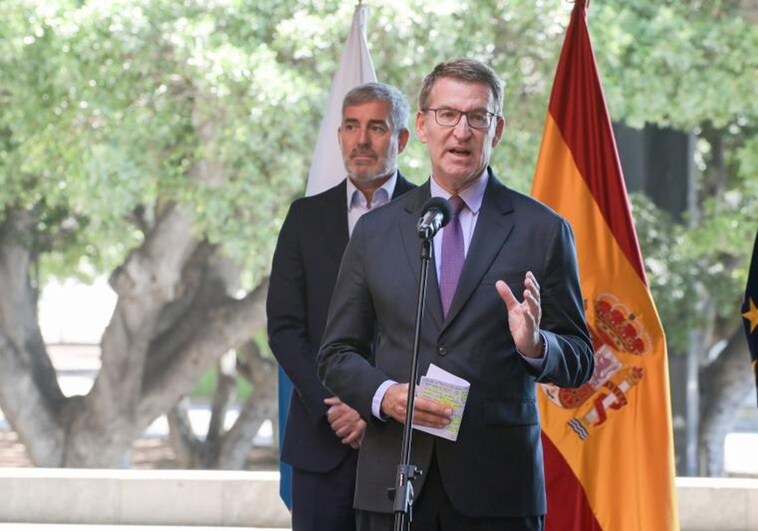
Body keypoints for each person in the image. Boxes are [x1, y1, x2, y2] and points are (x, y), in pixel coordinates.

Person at [318, 58, 595, 531]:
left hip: (498, 489)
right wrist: (385, 396)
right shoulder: (376, 231)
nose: (461, 132)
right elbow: (336, 354)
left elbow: (579, 359)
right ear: (422, 126)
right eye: (446, 115)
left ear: (497, 129)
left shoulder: (542, 230)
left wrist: (535, 346)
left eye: (477, 117)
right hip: (395, 484)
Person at [266, 82, 416, 531]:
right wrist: (339, 405)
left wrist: (377, 405)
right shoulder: (304, 219)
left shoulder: (430, 214)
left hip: (403, 443)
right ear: (340, 136)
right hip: (323, 437)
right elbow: (285, 329)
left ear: (402, 139)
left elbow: (436, 332)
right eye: (351, 126)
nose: (362, 140)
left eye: (376, 127)